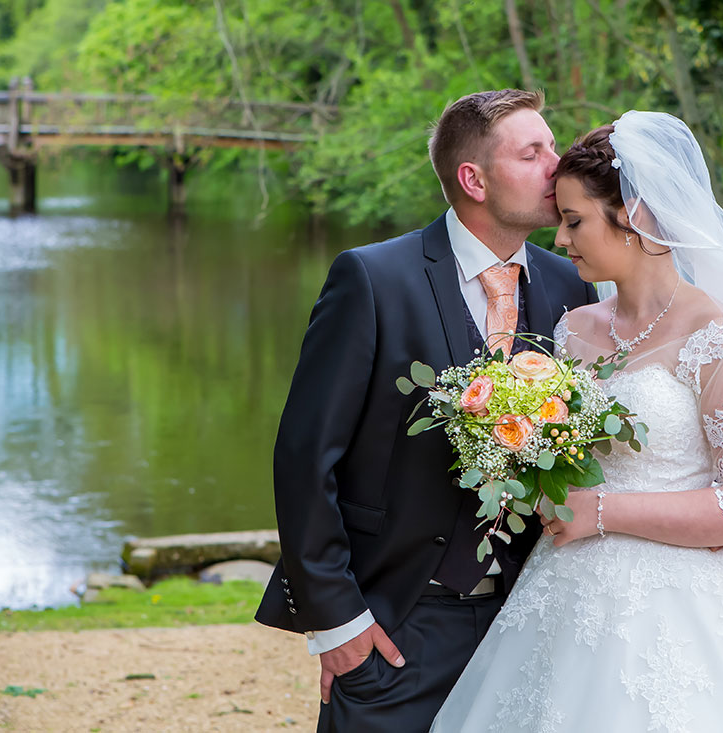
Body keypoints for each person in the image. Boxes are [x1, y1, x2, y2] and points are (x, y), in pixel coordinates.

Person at [431, 111, 723, 731]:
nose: (560, 241)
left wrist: (604, 512)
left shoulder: (717, 337)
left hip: (680, 606)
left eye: (574, 220)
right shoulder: (572, 329)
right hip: (561, 595)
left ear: (635, 216)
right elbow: (563, 456)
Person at [255, 89, 597, 732]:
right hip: (399, 627)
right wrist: (340, 626)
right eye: (533, 152)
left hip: (533, 621)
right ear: (473, 178)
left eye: (552, 146)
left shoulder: (570, 285)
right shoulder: (372, 279)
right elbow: (305, 459)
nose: (558, 163)